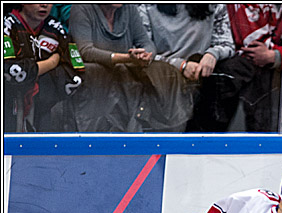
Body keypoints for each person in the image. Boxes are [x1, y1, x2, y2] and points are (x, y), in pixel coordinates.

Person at [189, 4, 282, 132]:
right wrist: (280, 53)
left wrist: (273, 55)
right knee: (231, 72)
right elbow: (250, 45)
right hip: (245, 67)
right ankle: (208, 141)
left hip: (281, 74)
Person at [68, 3, 193, 132]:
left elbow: (146, 43)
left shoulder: (129, 8)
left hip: (127, 73)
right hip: (96, 76)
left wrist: (145, 55)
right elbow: (85, 51)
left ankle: (168, 133)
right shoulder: (81, 8)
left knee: (166, 72)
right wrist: (125, 58)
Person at [137, 3, 235, 130]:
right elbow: (143, 53)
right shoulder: (146, 7)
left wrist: (212, 54)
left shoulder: (215, 5)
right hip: (163, 71)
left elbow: (227, 43)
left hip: (201, 71)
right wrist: (180, 65)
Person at [2, 2, 83, 132]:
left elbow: (75, 72)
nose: (44, 4)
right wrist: (50, 64)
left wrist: (40, 82)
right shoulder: (6, 26)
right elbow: (8, 69)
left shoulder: (56, 29)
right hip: (8, 105)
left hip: (46, 106)